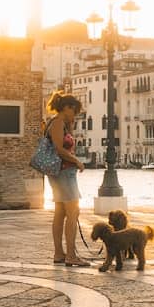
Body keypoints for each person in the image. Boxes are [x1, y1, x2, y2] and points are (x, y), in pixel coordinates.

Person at [44, 90, 89, 266]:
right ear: (67, 108)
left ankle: (59, 254)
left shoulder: (61, 123)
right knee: (73, 212)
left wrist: (70, 126)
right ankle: (70, 255)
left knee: (60, 212)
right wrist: (77, 161)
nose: (76, 115)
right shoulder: (57, 123)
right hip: (63, 172)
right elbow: (59, 149)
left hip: (60, 173)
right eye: (74, 111)